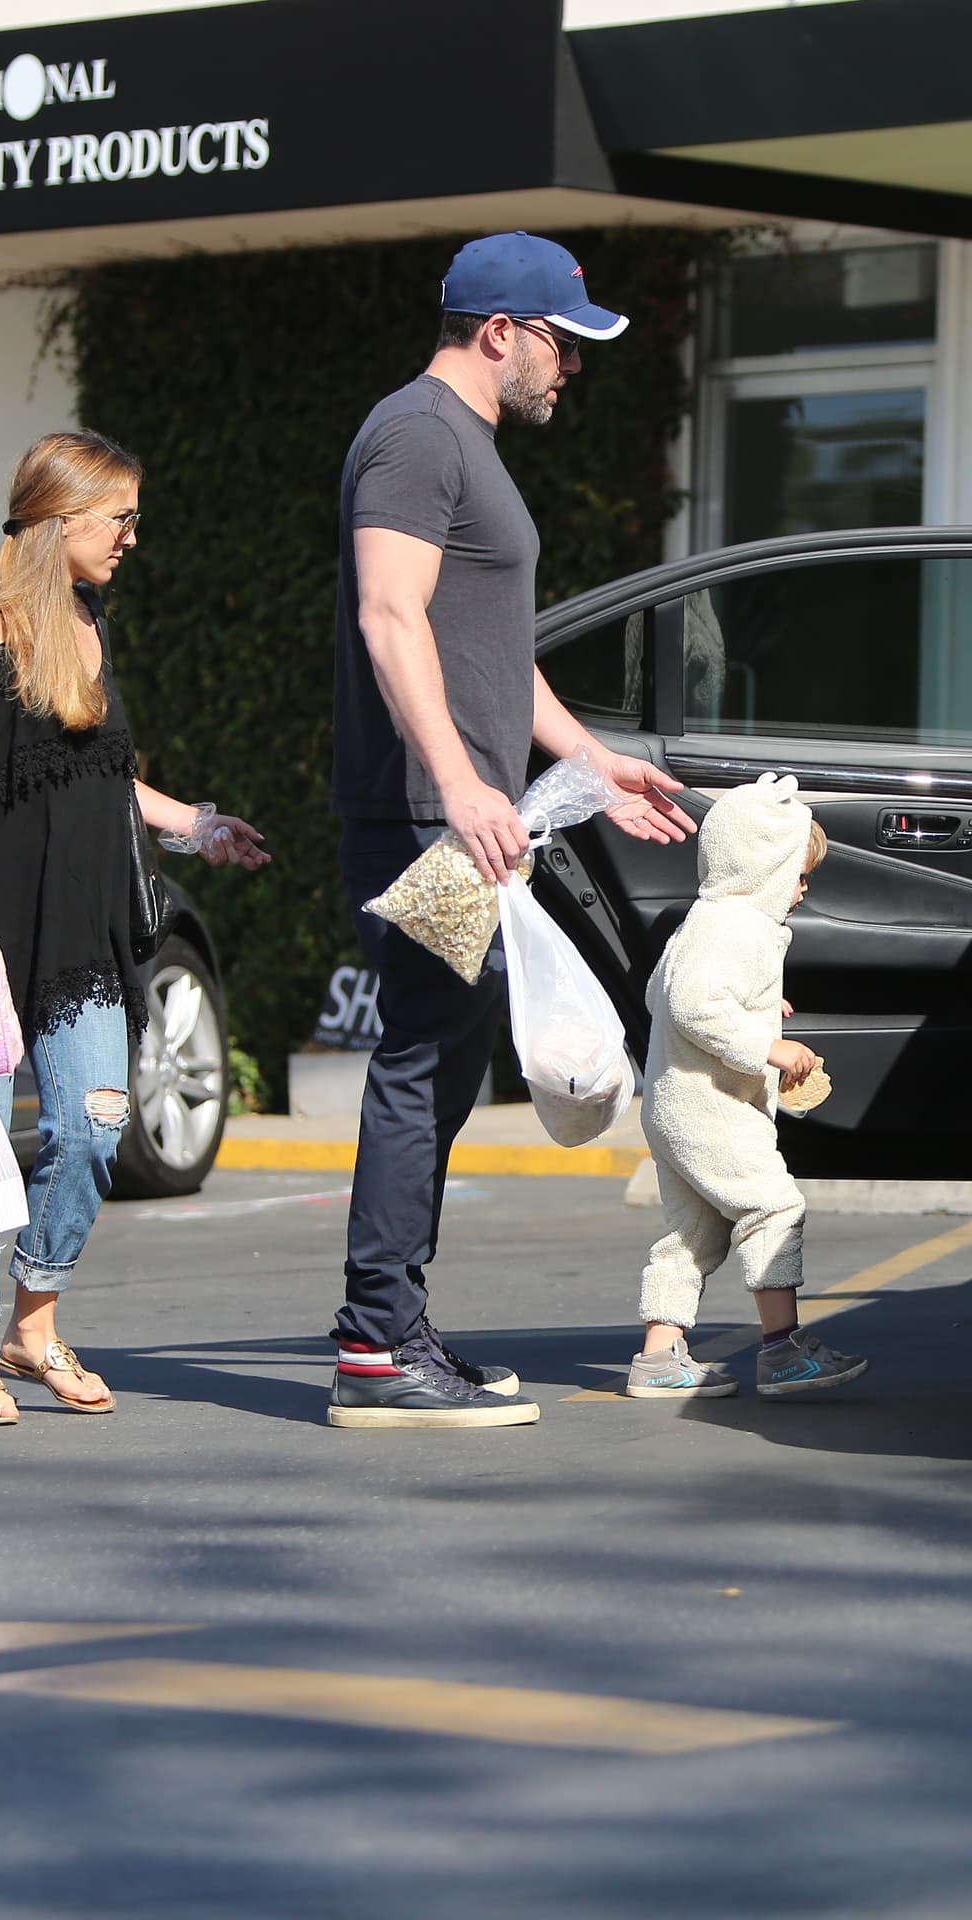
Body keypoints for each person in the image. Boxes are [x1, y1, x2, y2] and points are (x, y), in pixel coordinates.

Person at [328, 230, 696, 1431]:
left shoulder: (462, 445)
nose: (570, 366)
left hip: (460, 817)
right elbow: (389, 618)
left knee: (443, 1064)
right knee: (423, 1062)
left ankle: (393, 1327)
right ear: (498, 332)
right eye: (561, 342)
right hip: (423, 818)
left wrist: (592, 764)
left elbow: (490, 655)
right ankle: (376, 1344)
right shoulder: (414, 436)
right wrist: (456, 782)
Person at [0, 429, 268, 1428]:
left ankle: (34, 1319)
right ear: (59, 519)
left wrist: (196, 825)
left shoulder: (88, 618)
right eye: (119, 519)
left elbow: (100, 775)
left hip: (81, 923)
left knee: (97, 1121)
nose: (131, 538)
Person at [626, 773, 868, 1400]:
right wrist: (767, 1044)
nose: (803, 889)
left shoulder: (705, 918)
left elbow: (660, 993)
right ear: (764, 868)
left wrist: (757, 1007)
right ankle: (783, 1351)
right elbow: (694, 1006)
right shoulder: (739, 926)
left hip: (674, 1105)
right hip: (711, 1105)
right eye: (797, 874)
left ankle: (658, 1358)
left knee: (692, 1235)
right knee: (773, 1207)